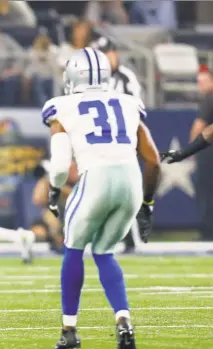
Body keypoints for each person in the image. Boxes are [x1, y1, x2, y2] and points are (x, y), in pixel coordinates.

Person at [42, 47, 161, 349]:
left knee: (73, 249)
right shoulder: (128, 103)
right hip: (131, 182)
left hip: (95, 178)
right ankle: (123, 319)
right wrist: (147, 205)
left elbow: (58, 165)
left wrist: (55, 192)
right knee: (105, 252)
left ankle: (69, 330)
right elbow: (154, 161)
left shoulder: (62, 106)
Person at [91, 35, 144, 252]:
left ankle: (131, 236)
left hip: (122, 137)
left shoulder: (125, 77)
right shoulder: (92, 80)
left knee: (124, 187)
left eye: (108, 53)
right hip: (100, 139)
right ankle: (114, 234)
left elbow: (136, 107)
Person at [168, 65, 213, 241]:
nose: (200, 86)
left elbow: (199, 126)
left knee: (207, 192)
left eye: (204, 81)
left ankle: (209, 233)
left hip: (209, 151)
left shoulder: (210, 99)